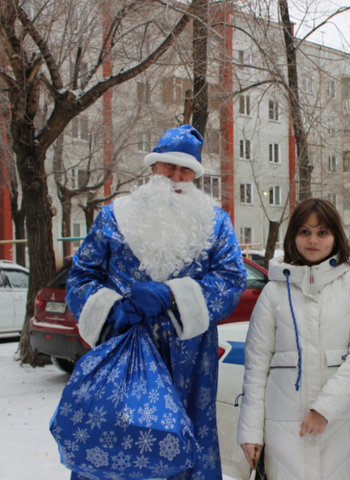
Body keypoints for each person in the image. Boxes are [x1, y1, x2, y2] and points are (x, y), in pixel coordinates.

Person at [65, 124, 247, 480]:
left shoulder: (215, 223)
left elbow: (231, 279)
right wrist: (113, 310)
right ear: (154, 168)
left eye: (186, 170)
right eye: (169, 167)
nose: (177, 177)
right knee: (118, 445)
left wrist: (174, 295)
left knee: (184, 447)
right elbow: (81, 276)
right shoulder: (113, 217)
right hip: (123, 351)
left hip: (189, 361)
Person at [237, 198, 350, 480]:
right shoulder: (274, 293)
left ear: (336, 236)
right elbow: (256, 366)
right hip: (286, 431)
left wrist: (324, 409)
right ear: (293, 237)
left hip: (343, 427)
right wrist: (251, 431)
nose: (313, 240)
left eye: (322, 232)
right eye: (305, 231)